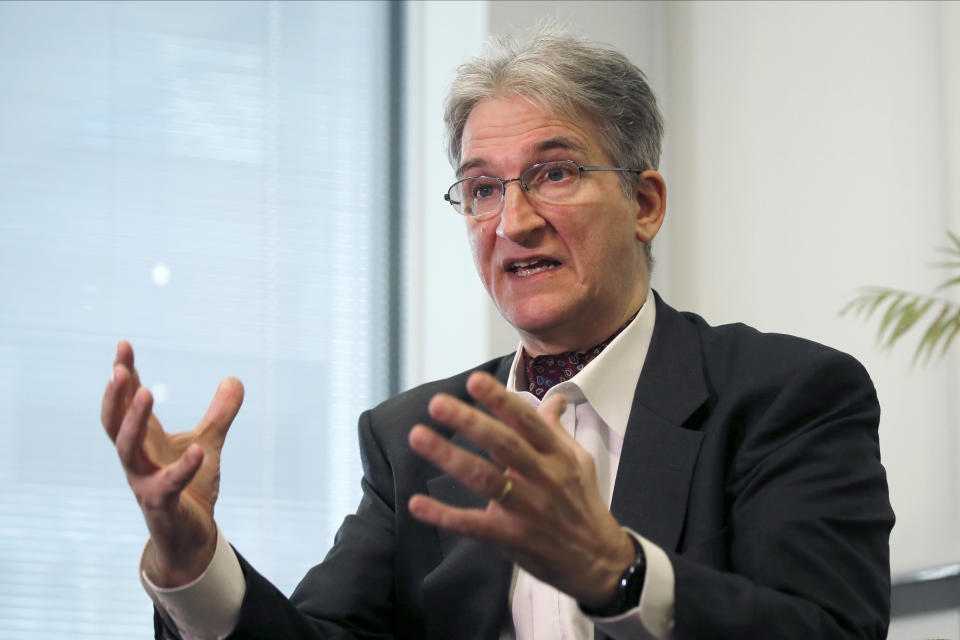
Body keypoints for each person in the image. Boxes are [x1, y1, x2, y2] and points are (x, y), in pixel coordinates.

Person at [100, 27, 894, 640]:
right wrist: (191, 559)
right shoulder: (415, 439)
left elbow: (830, 628)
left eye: (554, 173)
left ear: (645, 203)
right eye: (482, 188)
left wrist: (618, 573)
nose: (513, 222)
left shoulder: (786, 396)